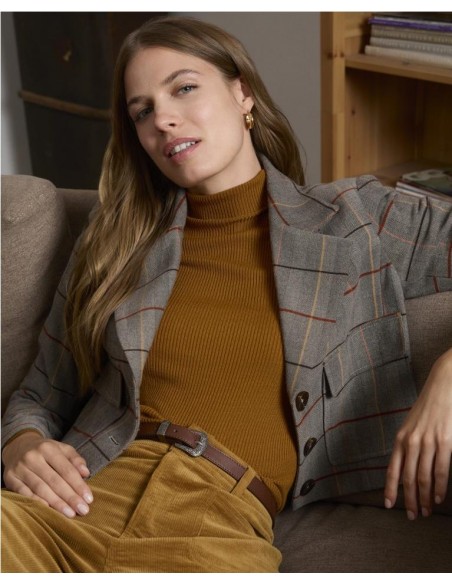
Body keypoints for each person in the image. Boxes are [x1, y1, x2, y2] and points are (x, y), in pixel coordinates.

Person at [1, 15, 451, 573]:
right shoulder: (113, 244)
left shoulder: (358, 220)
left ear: (243, 94)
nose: (163, 119)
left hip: (215, 528)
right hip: (68, 506)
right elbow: (38, 395)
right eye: (142, 111)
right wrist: (20, 443)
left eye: (184, 88)